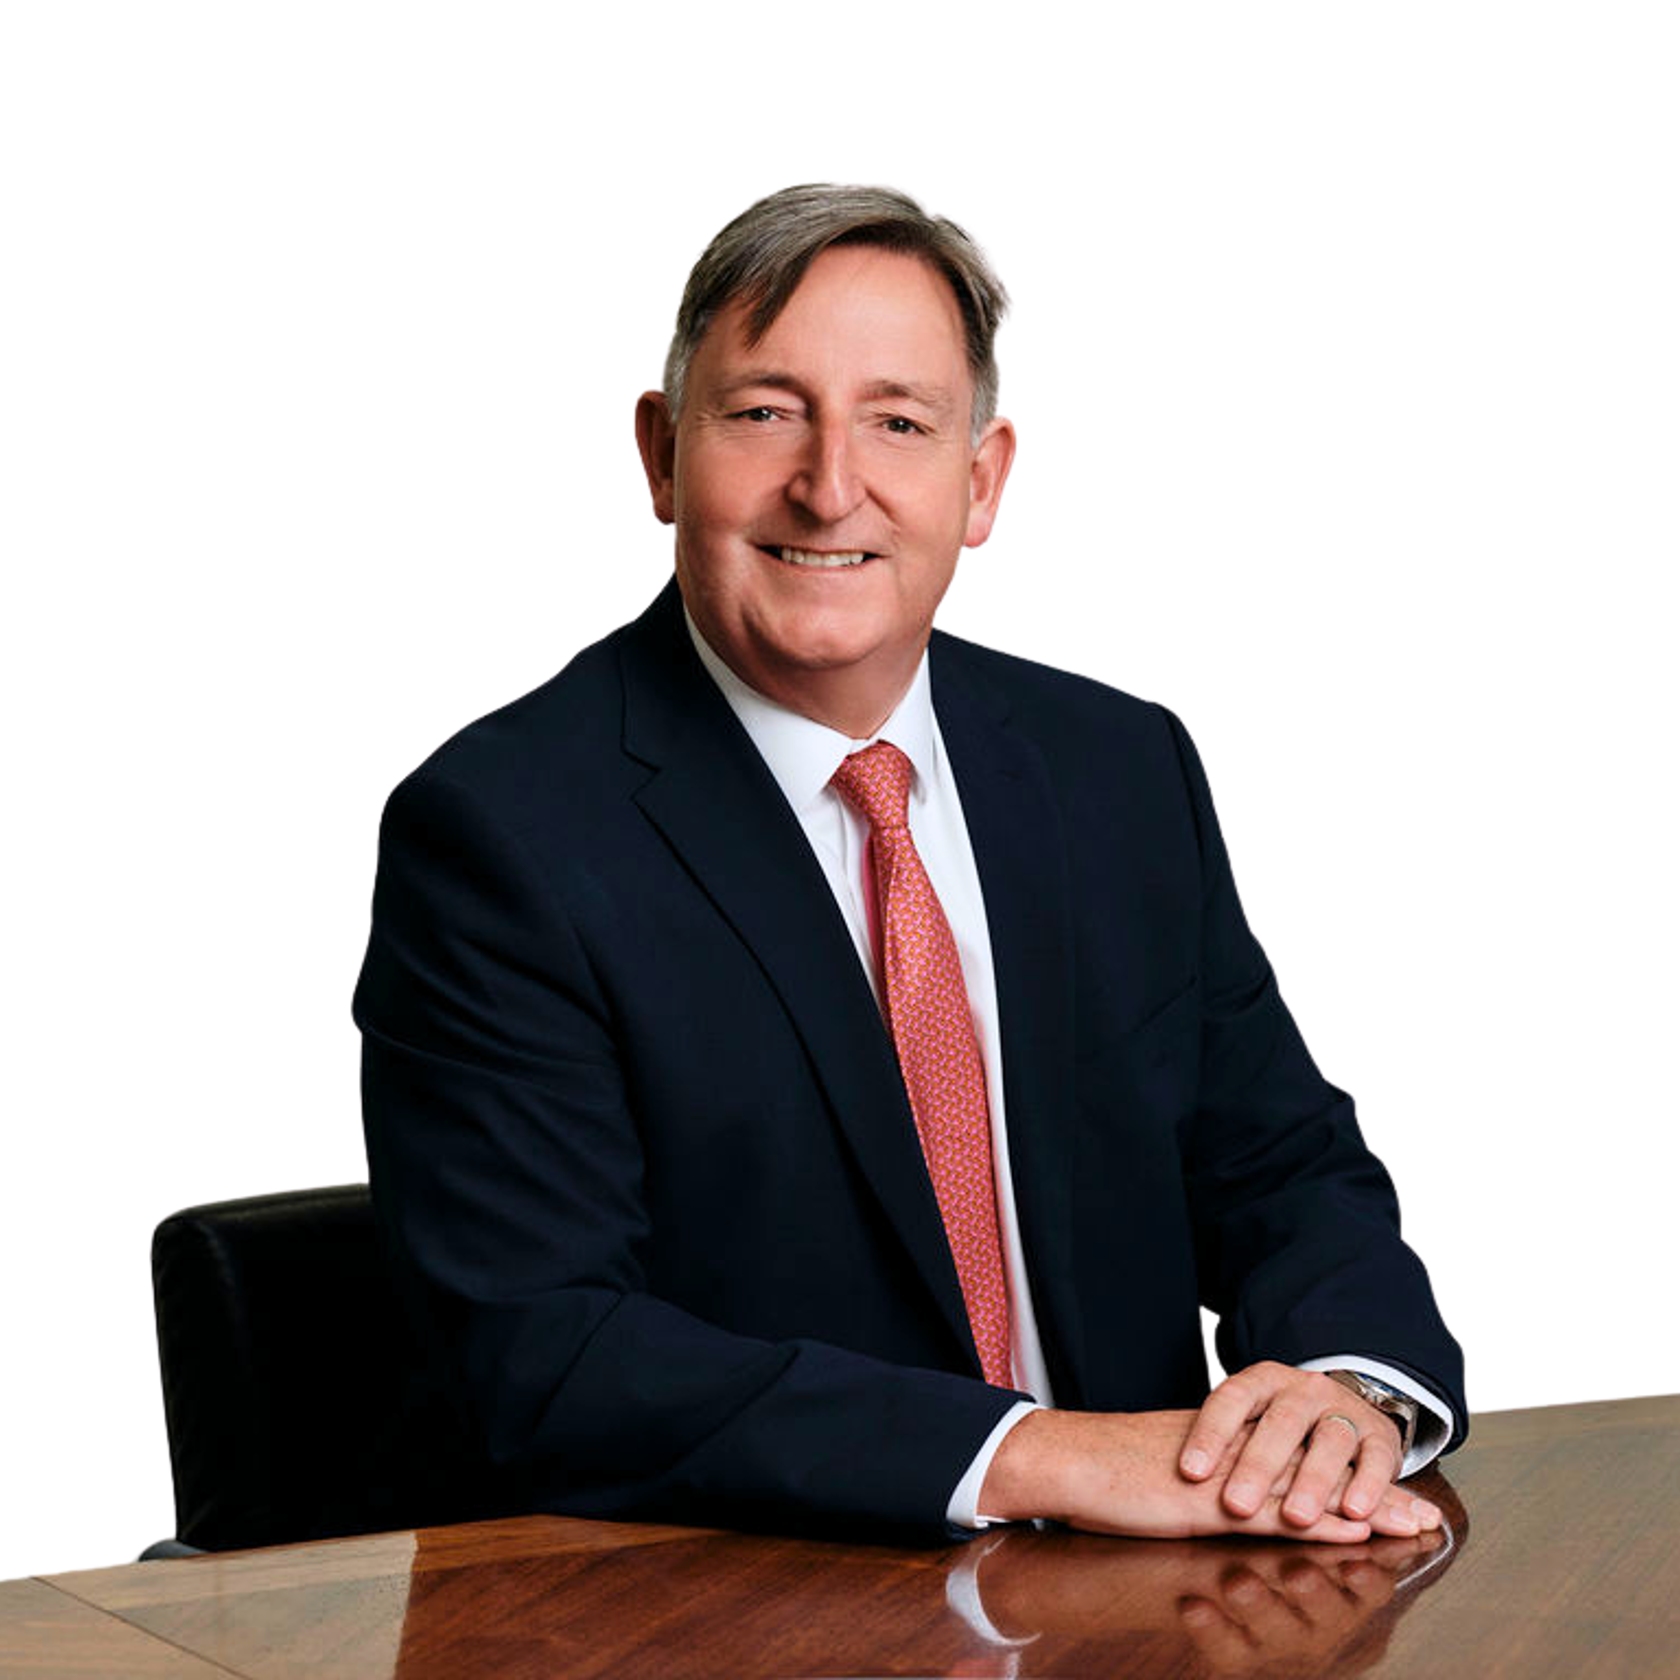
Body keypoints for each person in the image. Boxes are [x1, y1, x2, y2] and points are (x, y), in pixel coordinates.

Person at [355, 184, 1465, 1545]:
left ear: (981, 480)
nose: (831, 486)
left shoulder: (1115, 769)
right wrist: (1036, 1458)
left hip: (1161, 1597)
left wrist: (1350, 1392)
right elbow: (546, 1356)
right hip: (752, 1602)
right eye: (765, 413)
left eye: (898, 422)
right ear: (661, 456)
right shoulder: (502, 835)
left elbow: (1283, 1168)